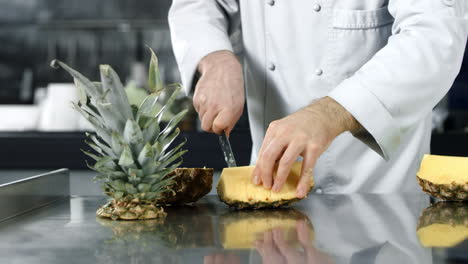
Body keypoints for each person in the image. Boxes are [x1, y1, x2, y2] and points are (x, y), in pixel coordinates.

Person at [168, 0, 468, 197]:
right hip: (269, 195)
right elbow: (198, 4)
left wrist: (330, 113)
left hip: (377, 197)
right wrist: (215, 58)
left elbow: (435, 37)